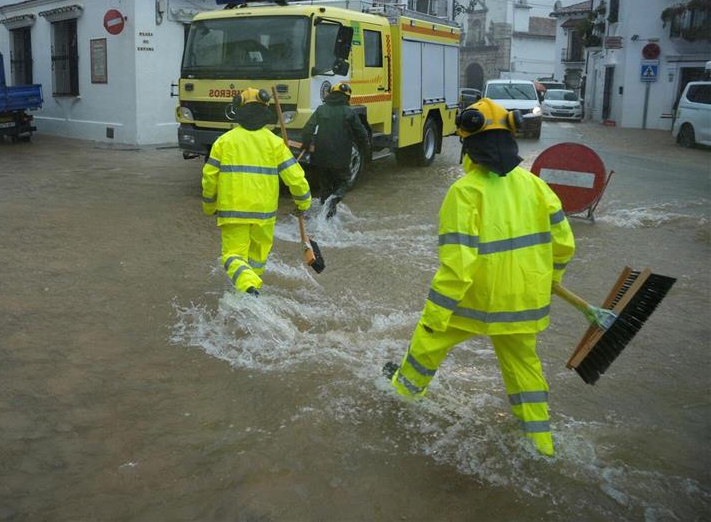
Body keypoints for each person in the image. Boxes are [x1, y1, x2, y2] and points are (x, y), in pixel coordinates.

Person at [381, 98, 575, 456]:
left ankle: (400, 398)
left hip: (473, 301)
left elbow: (458, 266)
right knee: (525, 371)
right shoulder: (536, 187)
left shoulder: (465, 192)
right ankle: (541, 446)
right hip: (523, 304)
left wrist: (434, 318)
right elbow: (564, 245)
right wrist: (551, 280)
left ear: (469, 145)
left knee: (426, 347)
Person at [202, 88, 312, 296]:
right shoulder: (274, 142)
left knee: (233, 256)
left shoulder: (224, 142)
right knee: (257, 258)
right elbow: (296, 177)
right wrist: (303, 202)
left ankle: (247, 287)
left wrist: (209, 206)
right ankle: (250, 291)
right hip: (264, 214)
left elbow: (209, 178)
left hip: (232, 211)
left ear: (239, 110)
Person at [300, 82, 369, 219]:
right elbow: (362, 134)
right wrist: (366, 149)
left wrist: (306, 145)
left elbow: (308, 129)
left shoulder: (321, 109)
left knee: (325, 187)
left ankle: (325, 218)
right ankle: (334, 200)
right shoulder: (349, 112)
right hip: (340, 159)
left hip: (320, 158)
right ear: (347, 97)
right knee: (344, 182)